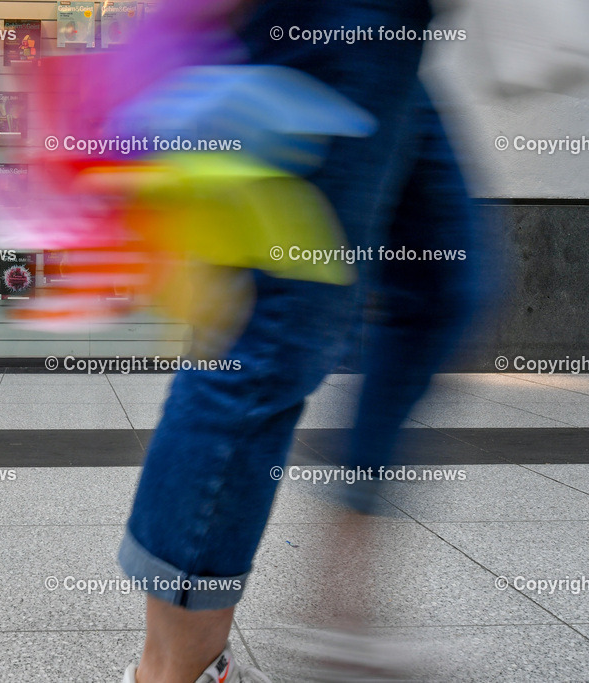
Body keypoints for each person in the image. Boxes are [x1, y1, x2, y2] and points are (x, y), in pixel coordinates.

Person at [118, 1, 495, 681]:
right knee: (271, 333)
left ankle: (344, 609)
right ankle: (175, 669)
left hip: (398, 26)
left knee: (441, 289)